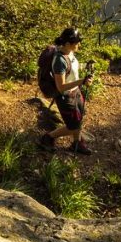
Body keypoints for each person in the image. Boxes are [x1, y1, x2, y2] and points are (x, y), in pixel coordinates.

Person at [38, 27, 93, 155]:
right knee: (73, 125)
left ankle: (77, 143)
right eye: (77, 42)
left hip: (76, 91)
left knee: (79, 118)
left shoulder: (70, 52)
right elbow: (61, 87)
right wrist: (81, 81)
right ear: (68, 44)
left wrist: (86, 68)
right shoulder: (59, 60)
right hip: (65, 96)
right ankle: (48, 137)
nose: (79, 44)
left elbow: (72, 68)